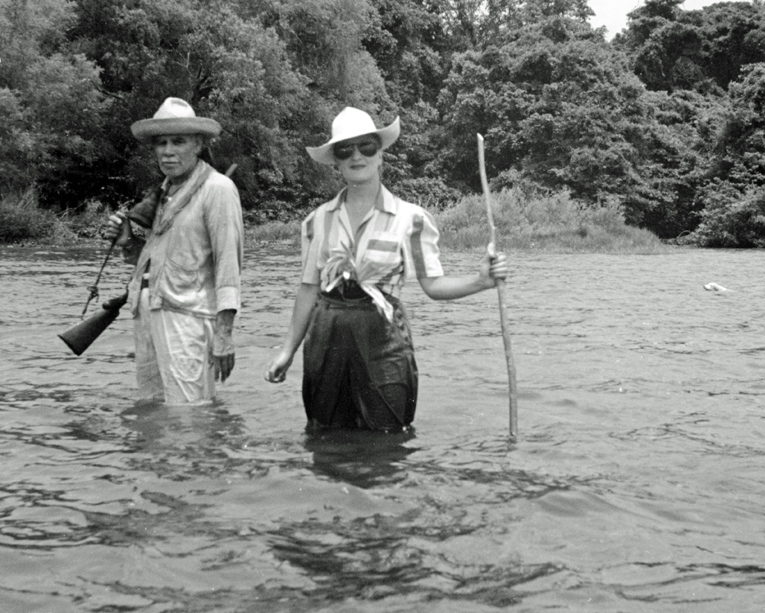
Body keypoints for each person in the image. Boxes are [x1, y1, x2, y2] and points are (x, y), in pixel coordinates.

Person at [265, 107, 509, 432]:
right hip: (326, 339)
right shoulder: (316, 221)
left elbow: (433, 286)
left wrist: (481, 281)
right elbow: (309, 289)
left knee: (388, 434)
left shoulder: (413, 220)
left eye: (366, 146)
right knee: (325, 435)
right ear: (335, 160)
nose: (356, 156)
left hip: (383, 338)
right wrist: (286, 351)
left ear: (380, 155)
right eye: (345, 149)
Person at [104, 97, 244, 404]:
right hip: (148, 313)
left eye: (178, 142)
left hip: (189, 318)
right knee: (152, 410)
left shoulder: (217, 189)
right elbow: (159, 260)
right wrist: (128, 241)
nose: (168, 151)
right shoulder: (161, 194)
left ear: (197, 145)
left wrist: (223, 334)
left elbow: (228, 266)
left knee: (189, 415)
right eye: (161, 143)